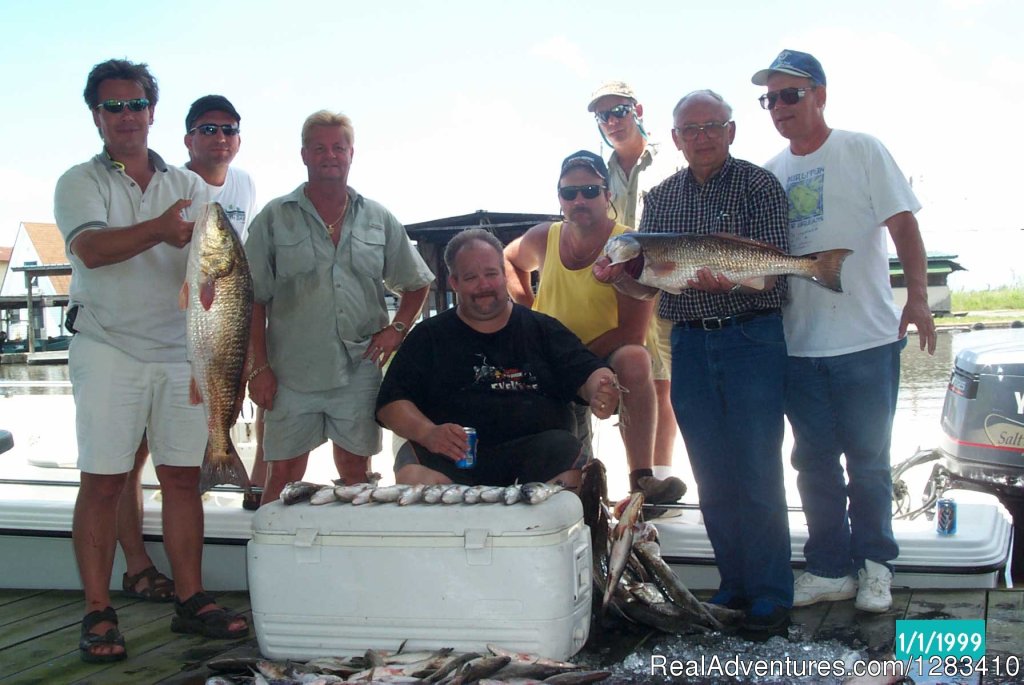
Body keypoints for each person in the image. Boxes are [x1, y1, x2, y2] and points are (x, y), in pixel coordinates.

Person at [55, 58, 248, 664]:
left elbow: (214, 272)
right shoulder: (80, 181)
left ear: (151, 112)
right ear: (96, 115)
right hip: (108, 348)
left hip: (183, 352)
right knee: (105, 481)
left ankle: (191, 600)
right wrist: (159, 230)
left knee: (183, 479)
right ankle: (97, 610)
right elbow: (88, 248)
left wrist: (226, 337)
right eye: (112, 107)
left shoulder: (188, 187)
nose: (126, 117)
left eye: (135, 105)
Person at [595, 90, 793, 633]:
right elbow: (647, 289)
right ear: (676, 138)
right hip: (688, 343)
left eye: (713, 126)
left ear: (731, 131)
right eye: (691, 129)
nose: (702, 136)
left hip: (753, 338)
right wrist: (623, 276)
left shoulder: (759, 185)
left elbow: (771, 272)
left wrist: (732, 278)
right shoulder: (659, 199)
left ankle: (773, 593)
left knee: (757, 466)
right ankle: (733, 584)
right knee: (709, 468)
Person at [752, 50, 936, 613]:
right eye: (770, 99)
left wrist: (920, 299)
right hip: (799, 343)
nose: (780, 107)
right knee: (811, 463)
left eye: (791, 95)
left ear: (821, 94)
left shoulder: (862, 149)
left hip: (869, 338)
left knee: (870, 460)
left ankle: (876, 564)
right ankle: (830, 566)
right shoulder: (770, 173)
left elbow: (904, 226)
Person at [114, 94, 259, 610]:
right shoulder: (172, 186)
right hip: (144, 340)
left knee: (177, 468)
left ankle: (187, 588)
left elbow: (235, 269)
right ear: (187, 138)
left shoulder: (243, 184)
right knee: (126, 461)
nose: (219, 137)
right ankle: (135, 564)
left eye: (228, 128)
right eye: (207, 129)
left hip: (205, 337)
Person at [245, 110, 433, 505]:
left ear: (351, 154)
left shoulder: (378, 218)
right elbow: (252, 300)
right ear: (304, 155)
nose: (329, 155)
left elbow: (418, 284)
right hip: (291, 373)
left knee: (355, 472)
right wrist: (258, 369)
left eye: (338, 147)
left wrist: (397, 329)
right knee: (282, 474)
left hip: (357, 372)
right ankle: (271, 561)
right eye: (319, 148)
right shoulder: (274, 218)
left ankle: (355, 558)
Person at [504, 150, 684, 504]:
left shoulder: (632, 244)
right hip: (551, 360)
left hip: (603, 356)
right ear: (559, 198)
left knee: (636, 359)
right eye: (569, 193)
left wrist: (569, 362)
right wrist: (526, 310)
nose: (579, 199)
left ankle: (641, 481)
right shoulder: (543, 237)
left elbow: (631, 333)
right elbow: (509, 259)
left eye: (589, 190)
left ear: (607, 195)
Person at [377, 229, 620, 489]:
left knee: (571, 462)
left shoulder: (544, 329)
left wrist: (602, 389)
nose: (484, 285)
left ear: (504, 275)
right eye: (471, 277)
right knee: (413, 475)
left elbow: (588, 372)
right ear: (454, 283)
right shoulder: (428, 336)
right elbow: (390, 404)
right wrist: (428, 432)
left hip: (536, 460)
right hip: (453, 460)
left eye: (491, 274)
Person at [588, 81, 681, 485]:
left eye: (619, 111)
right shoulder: (599, 173)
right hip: (616, 293)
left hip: (665, 286)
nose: (612, 121)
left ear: (637, 110)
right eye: (603, 116)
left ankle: (657, 477)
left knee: (665, 385)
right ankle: (634, 477)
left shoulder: (670, 163)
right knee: (627, 381)